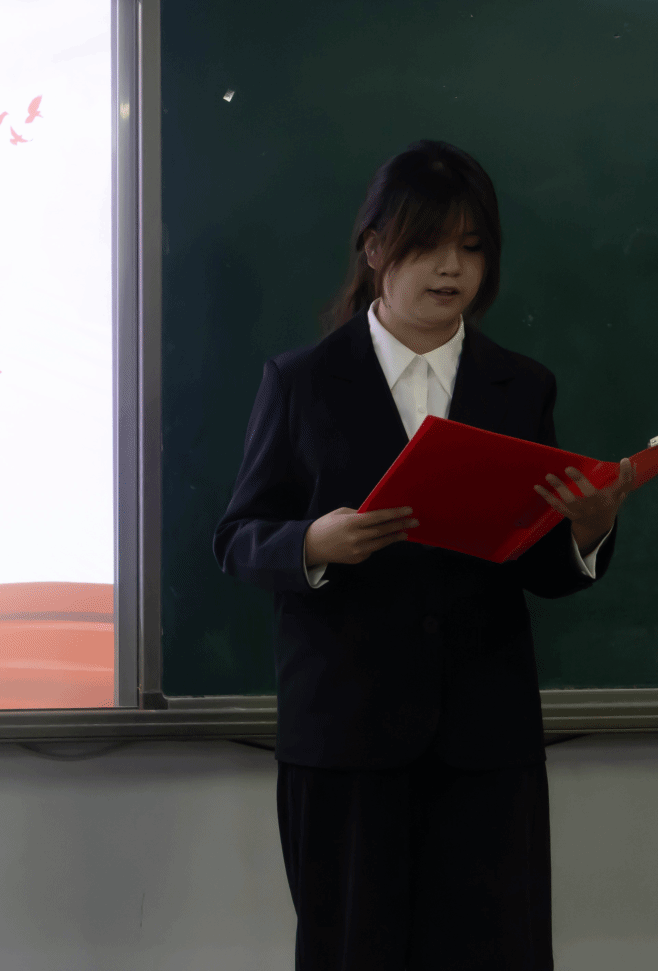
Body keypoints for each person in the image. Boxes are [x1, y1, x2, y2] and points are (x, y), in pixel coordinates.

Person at [212, 139, 634, 971]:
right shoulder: (302, 381)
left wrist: (586, 530)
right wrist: (313, 543)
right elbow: (236, 537)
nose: (452, 268)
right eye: (430, 245)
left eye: (472, 248)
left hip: (485, 738)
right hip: (347, 735)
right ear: (376, 249)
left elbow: (535, 564)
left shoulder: (521, 386)